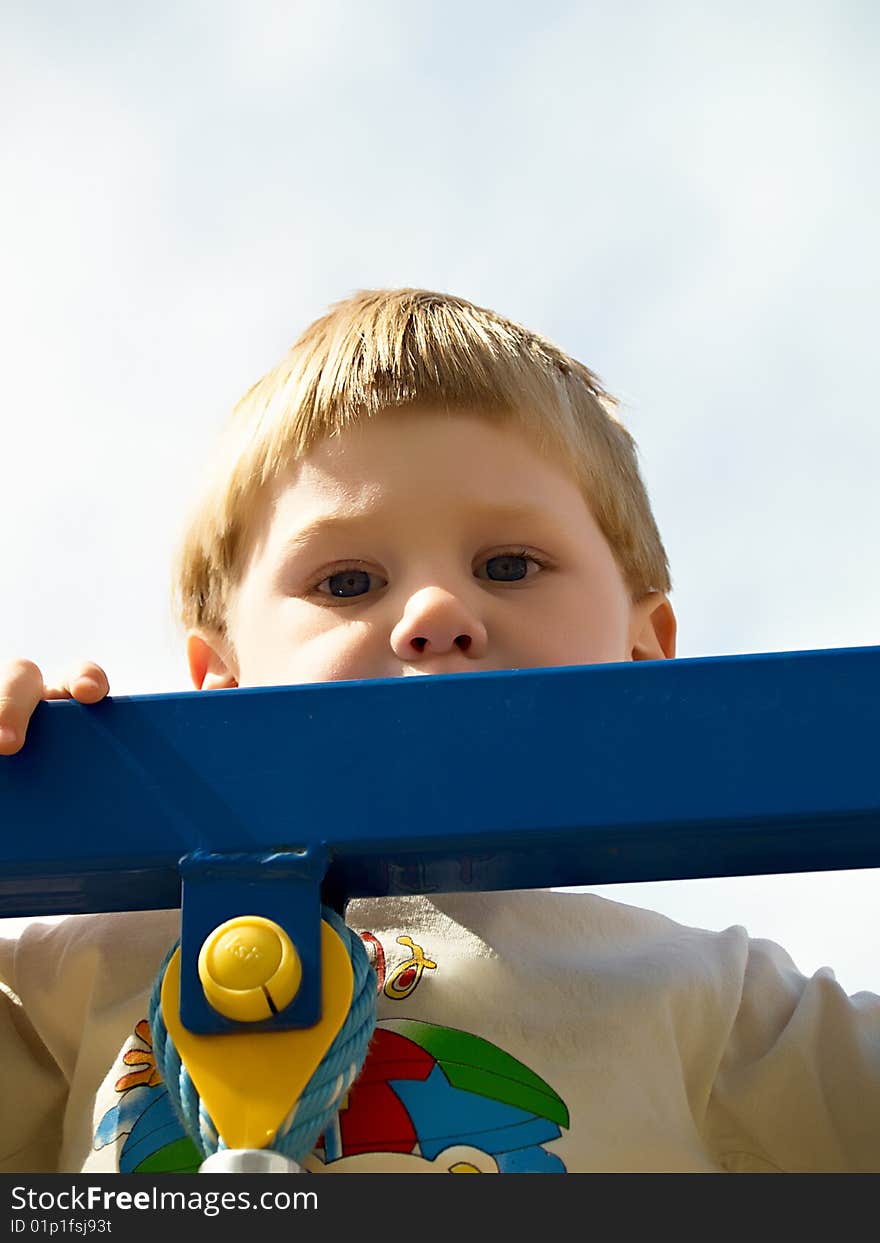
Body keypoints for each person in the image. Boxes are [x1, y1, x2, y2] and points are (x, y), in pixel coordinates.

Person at [1, 288, 878, 1175]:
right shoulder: (88, 965)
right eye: (346, 582)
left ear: (646, 646)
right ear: (219, 678)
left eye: (508, 564)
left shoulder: (707, 996)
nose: (433, 613)